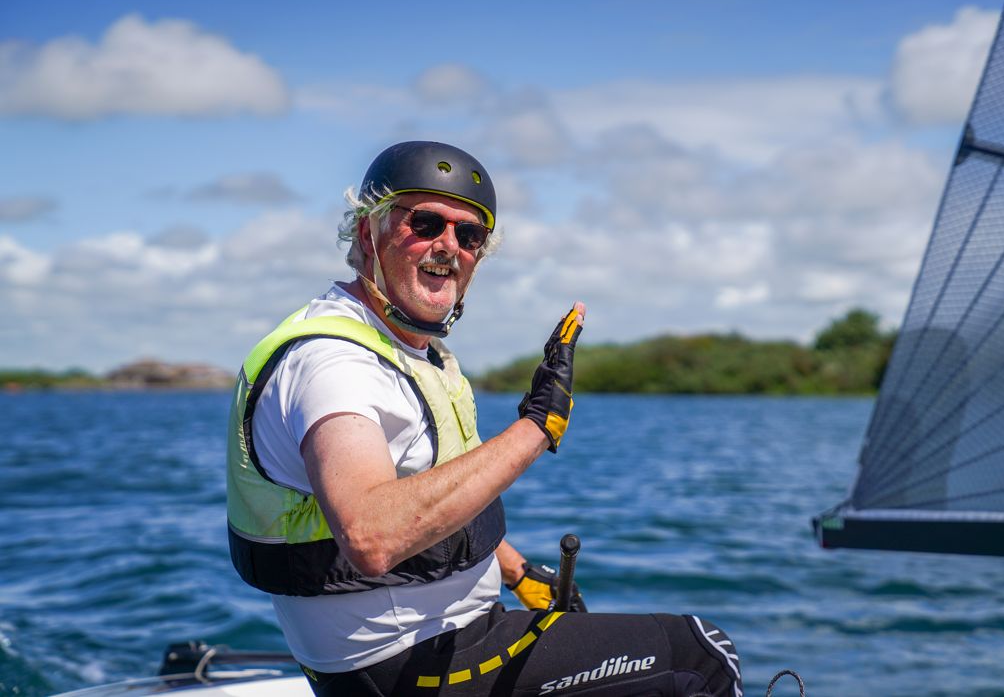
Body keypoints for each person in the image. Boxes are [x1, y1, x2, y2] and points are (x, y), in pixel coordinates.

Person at [226, 141, 743, 696]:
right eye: (425, 223)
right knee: (699, 654)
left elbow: (428, 494)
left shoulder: (411, 352)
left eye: (469, 235)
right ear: (366, 236)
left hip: (440, 641)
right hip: (404, 665)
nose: (448, 246)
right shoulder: (333, 364)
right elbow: (370, 535)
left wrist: (517, 572)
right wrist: (537, 427)